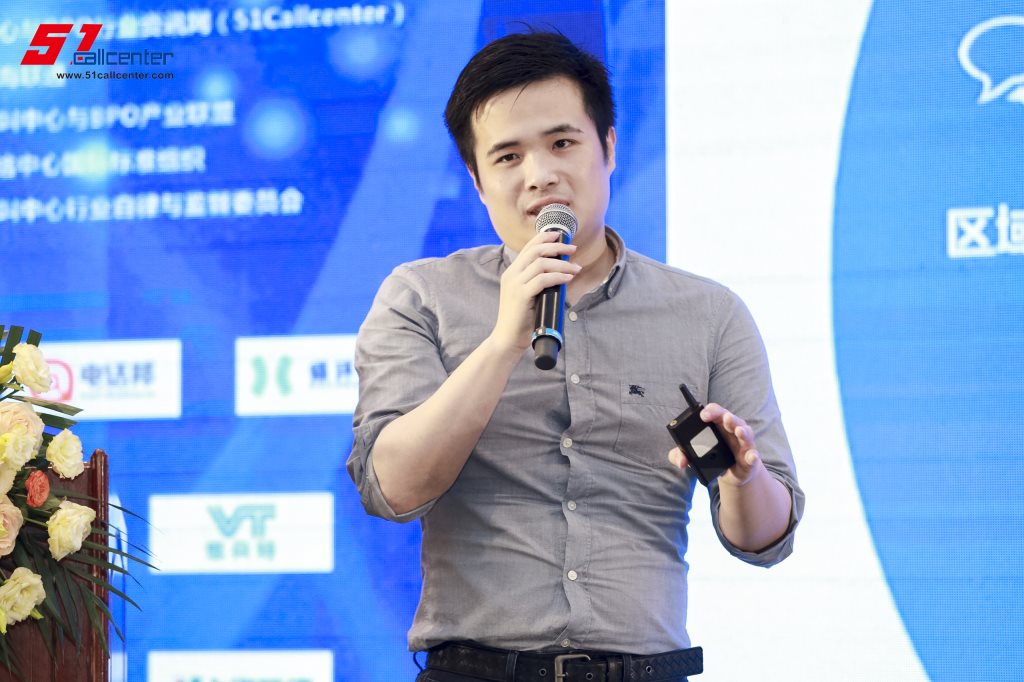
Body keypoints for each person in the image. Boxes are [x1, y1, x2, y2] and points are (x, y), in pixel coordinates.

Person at [348, 31, 804, 682]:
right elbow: (392, 490)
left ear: (608, 147)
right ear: (478, 182)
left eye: (563, 143)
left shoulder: (708, 314)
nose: (540, 174)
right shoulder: (421, 297)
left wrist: (741, 475)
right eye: (508, 157)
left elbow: (766, 539)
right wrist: (503, 342)